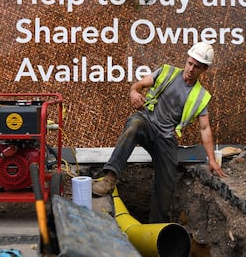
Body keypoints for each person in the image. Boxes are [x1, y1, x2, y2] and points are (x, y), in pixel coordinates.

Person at [92, 42, 227, 222]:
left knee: (166, 184)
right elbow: (139, 85)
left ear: (204, 69)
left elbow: (205, 128)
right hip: (147, 123)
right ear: (186, 60)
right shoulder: (167, 72)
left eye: (197, 67)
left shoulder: (201, 96)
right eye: (190, 63)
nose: (191, 69)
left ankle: (156, 229)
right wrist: (133, 92)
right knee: (134, 124)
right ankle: (109, 178)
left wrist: (212, 160)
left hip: (166, 138)